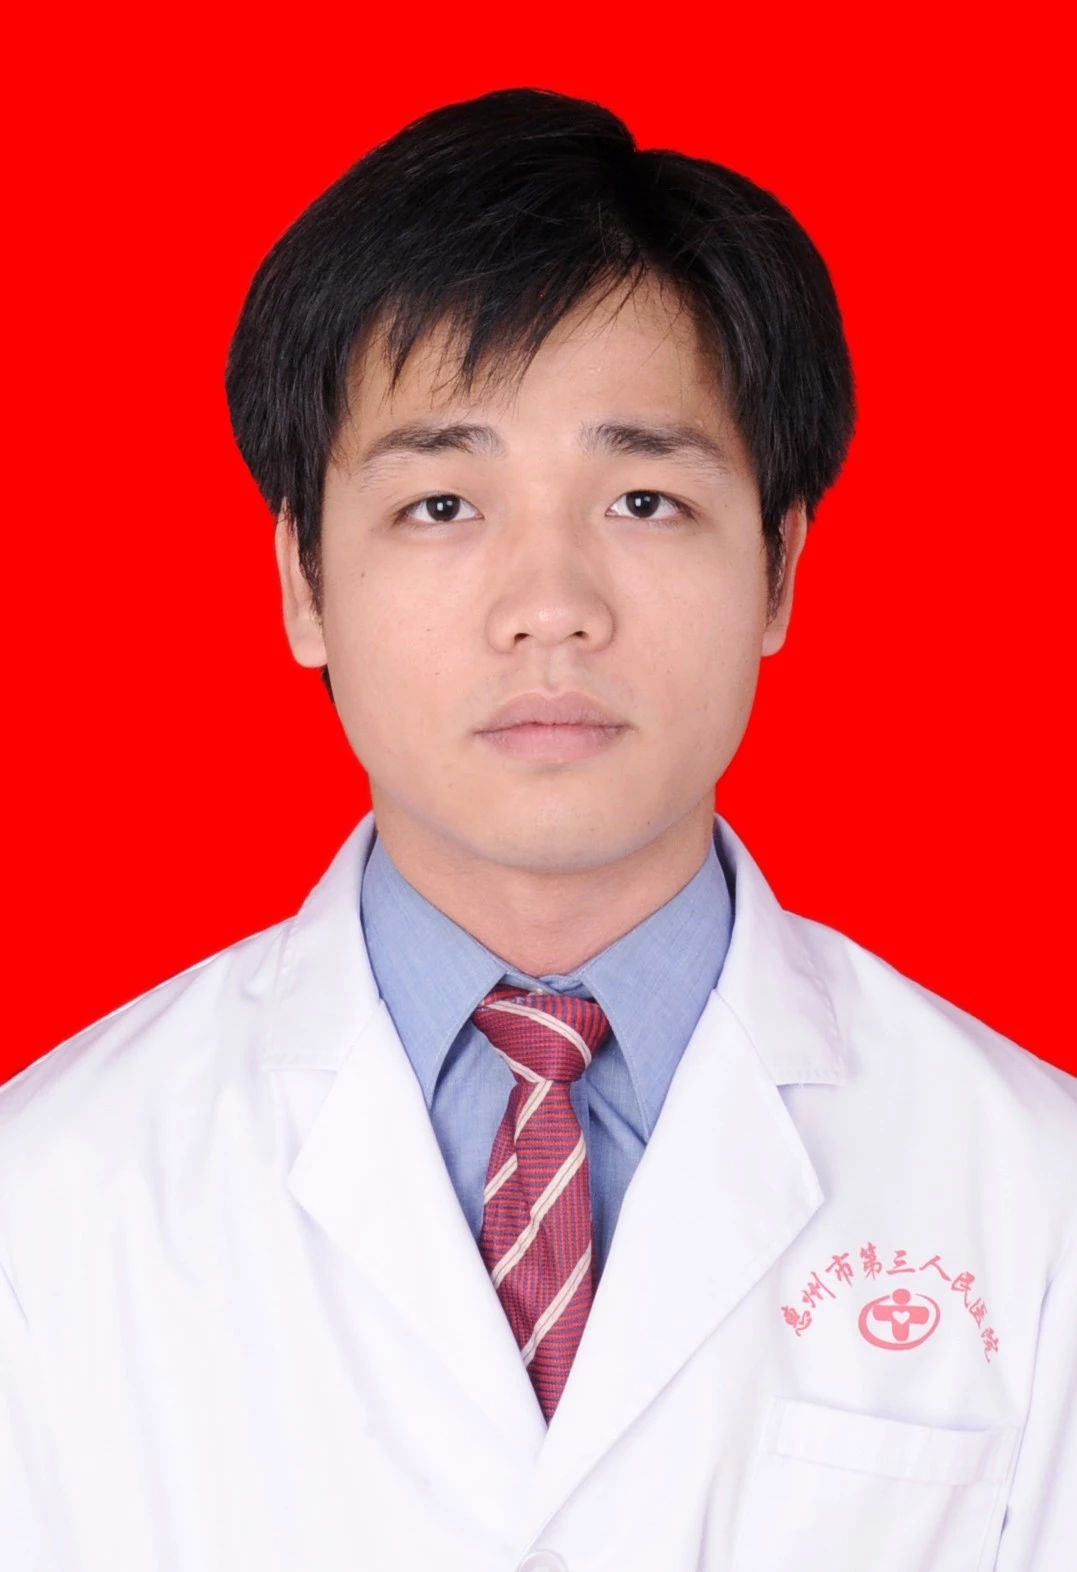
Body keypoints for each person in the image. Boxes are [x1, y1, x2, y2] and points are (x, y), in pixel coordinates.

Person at [1, 87, 1073, 1572]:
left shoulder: (1035, 1195)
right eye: (443, 506)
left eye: (643, 499)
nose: (551, 605)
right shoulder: (47, 1199)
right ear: (304, 584)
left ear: (778, 569)